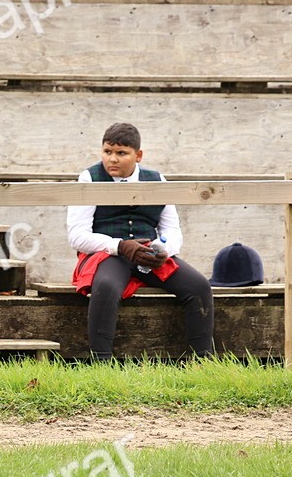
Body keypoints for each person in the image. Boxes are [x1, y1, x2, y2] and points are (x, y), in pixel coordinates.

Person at [65, 122, 214, 360]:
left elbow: (172, 229)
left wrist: (163, 250)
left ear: (138, 155)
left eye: (121, 153)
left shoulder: (157, 180)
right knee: (106, 287)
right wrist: (119, 245)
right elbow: (77, 236)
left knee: (198, 286)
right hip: (109, 254)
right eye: (107, 152)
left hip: (148, 254)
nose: (112, 159)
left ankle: (204, 359)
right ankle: (100, 362)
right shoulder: (89, 177)